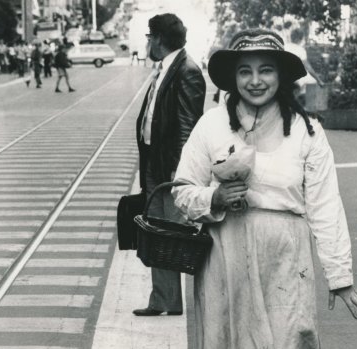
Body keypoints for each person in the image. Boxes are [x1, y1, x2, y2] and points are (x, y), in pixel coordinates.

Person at [172, 28, 357, 349]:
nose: (255, 80)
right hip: (225, 261)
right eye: (244, 71)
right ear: (233, 77)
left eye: (266, 69)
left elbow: (325, 206)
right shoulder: (211, 125)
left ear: (282, 75)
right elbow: (181, 191)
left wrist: (340, 276)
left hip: (287, 265)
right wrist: (214, 198)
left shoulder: (308, 130)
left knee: (290, 337)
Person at [133, 13, 206, 317]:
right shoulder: (165, 68)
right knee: (157, 232)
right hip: (155, 160)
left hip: (171, 167)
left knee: (178, 234)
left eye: (149, 37)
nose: (147, 42)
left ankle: (192, 300)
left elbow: (189, 124)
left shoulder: (186, 70)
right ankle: (164, 299)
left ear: (159, 38)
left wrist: (181, 170)